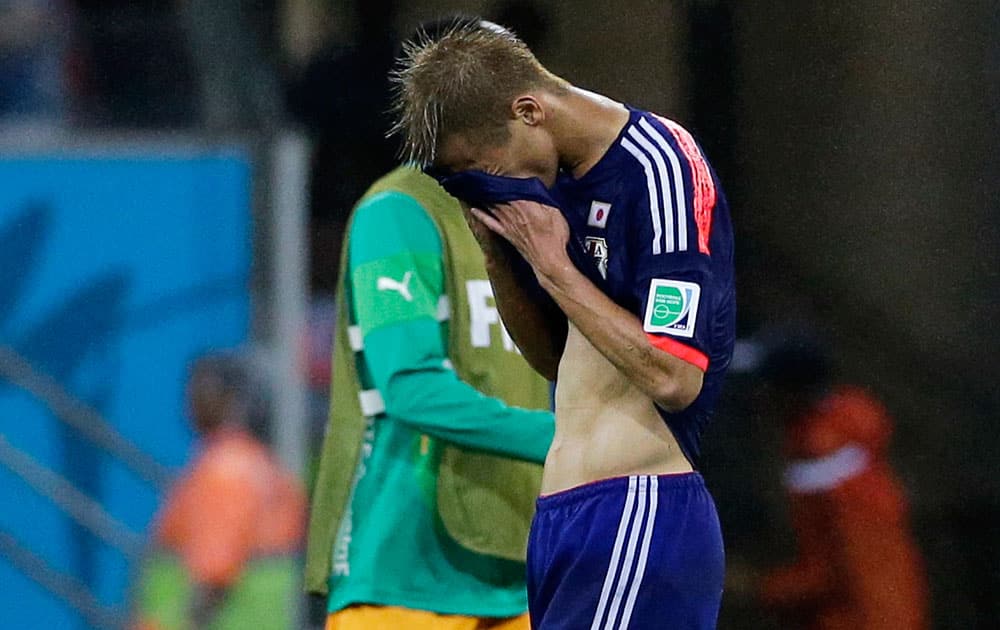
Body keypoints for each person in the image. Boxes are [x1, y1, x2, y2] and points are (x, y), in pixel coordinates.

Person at [392, 19, 735, 630]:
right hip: (565, 522)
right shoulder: (556, 183)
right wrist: (499, 254)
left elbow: (676, 374)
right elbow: (556, 361)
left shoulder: (656, 167)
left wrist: (555, 268)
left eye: (480, 166)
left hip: (637, 511)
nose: (488, 186)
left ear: (528, 111)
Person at [303, 23, 558, 621]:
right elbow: (409, 387)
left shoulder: (531, 220)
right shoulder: (399, 213)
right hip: (405, 567)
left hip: (521, 561)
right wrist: (565, 442)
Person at [750, 332, 928, 629]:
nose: (758, 397)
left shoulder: (822, 460)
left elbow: (830, 571)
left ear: (788, 393)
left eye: (764, 386)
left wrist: (760, 588)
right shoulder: (844, 438)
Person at [136, 354, 307, 630]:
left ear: (232, 400)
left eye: (205, 389)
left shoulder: (224, 469)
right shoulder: (259, 462)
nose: (192, 400)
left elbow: (213, 572)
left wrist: (189, 622)